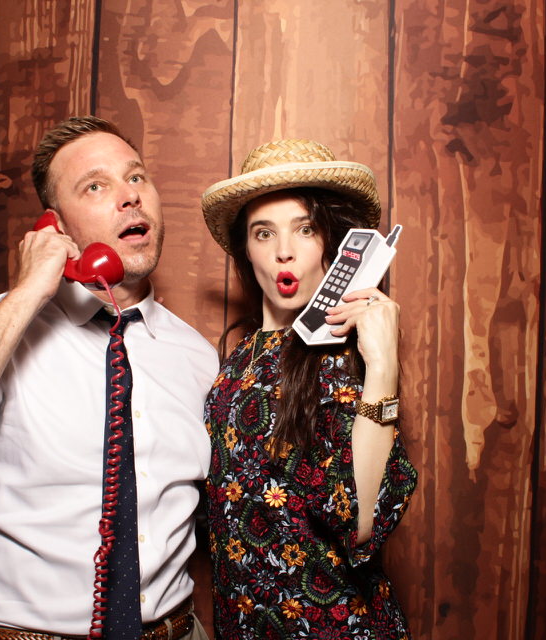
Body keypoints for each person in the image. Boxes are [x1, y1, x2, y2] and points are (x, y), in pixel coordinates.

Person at [0, 116, 217, 639]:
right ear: (55, 225)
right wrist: (28, 294)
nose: (129, 197)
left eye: (136, 177)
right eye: (95, 186)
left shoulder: (197, 355)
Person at [199, 139, 419, 638]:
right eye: (263, 233)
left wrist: (382, 366)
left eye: (305, 228)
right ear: (245, 249)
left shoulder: (345, 353)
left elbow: (362, 522)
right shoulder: (236, 361)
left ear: (337, 243)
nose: (284, 251)